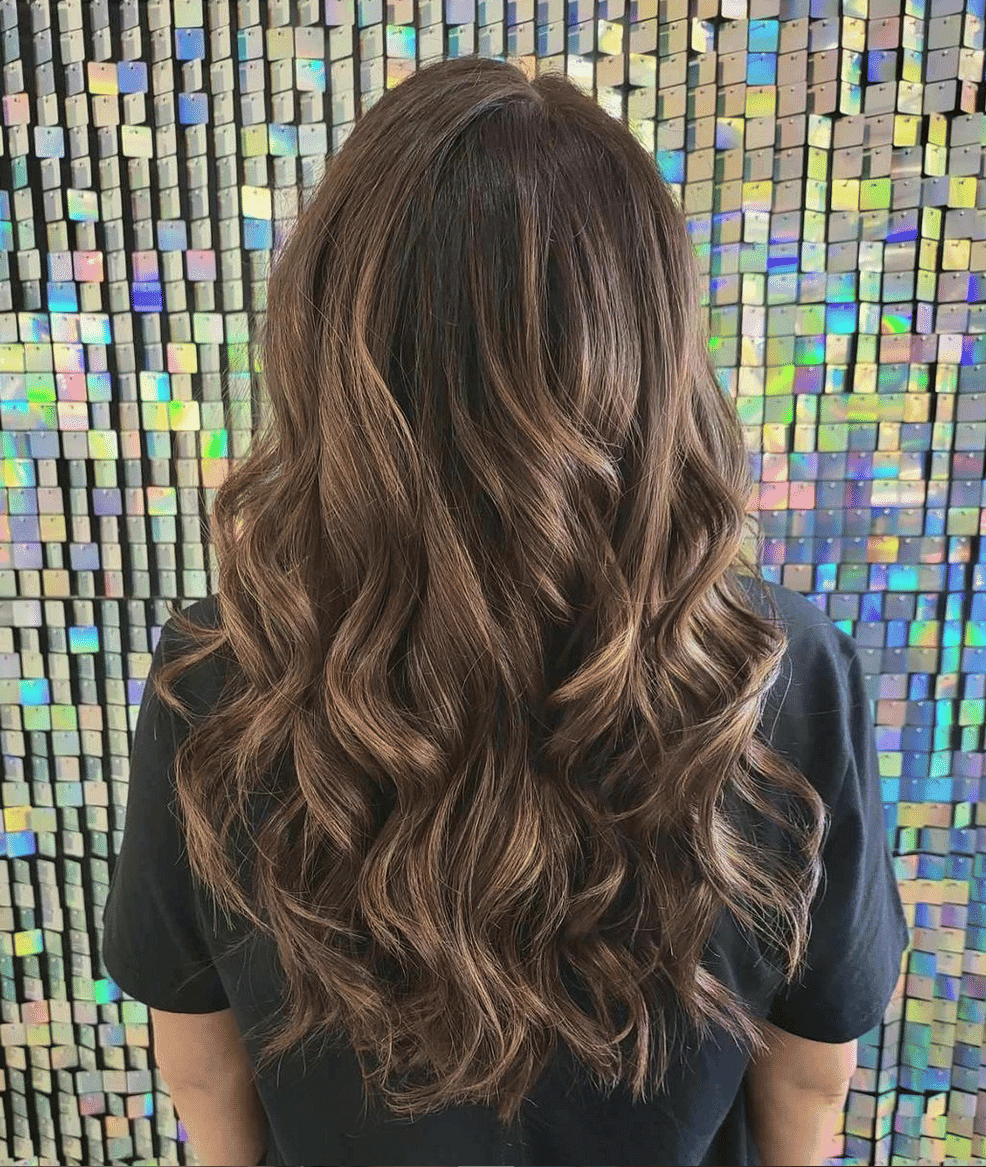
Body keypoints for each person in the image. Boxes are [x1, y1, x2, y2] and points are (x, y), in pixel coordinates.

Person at [101, 54, 910, 1167]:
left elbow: (204, 1074)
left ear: (334, 331)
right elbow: (807, 1083)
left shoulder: (221, 665)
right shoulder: (773, 667)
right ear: (649, 338)